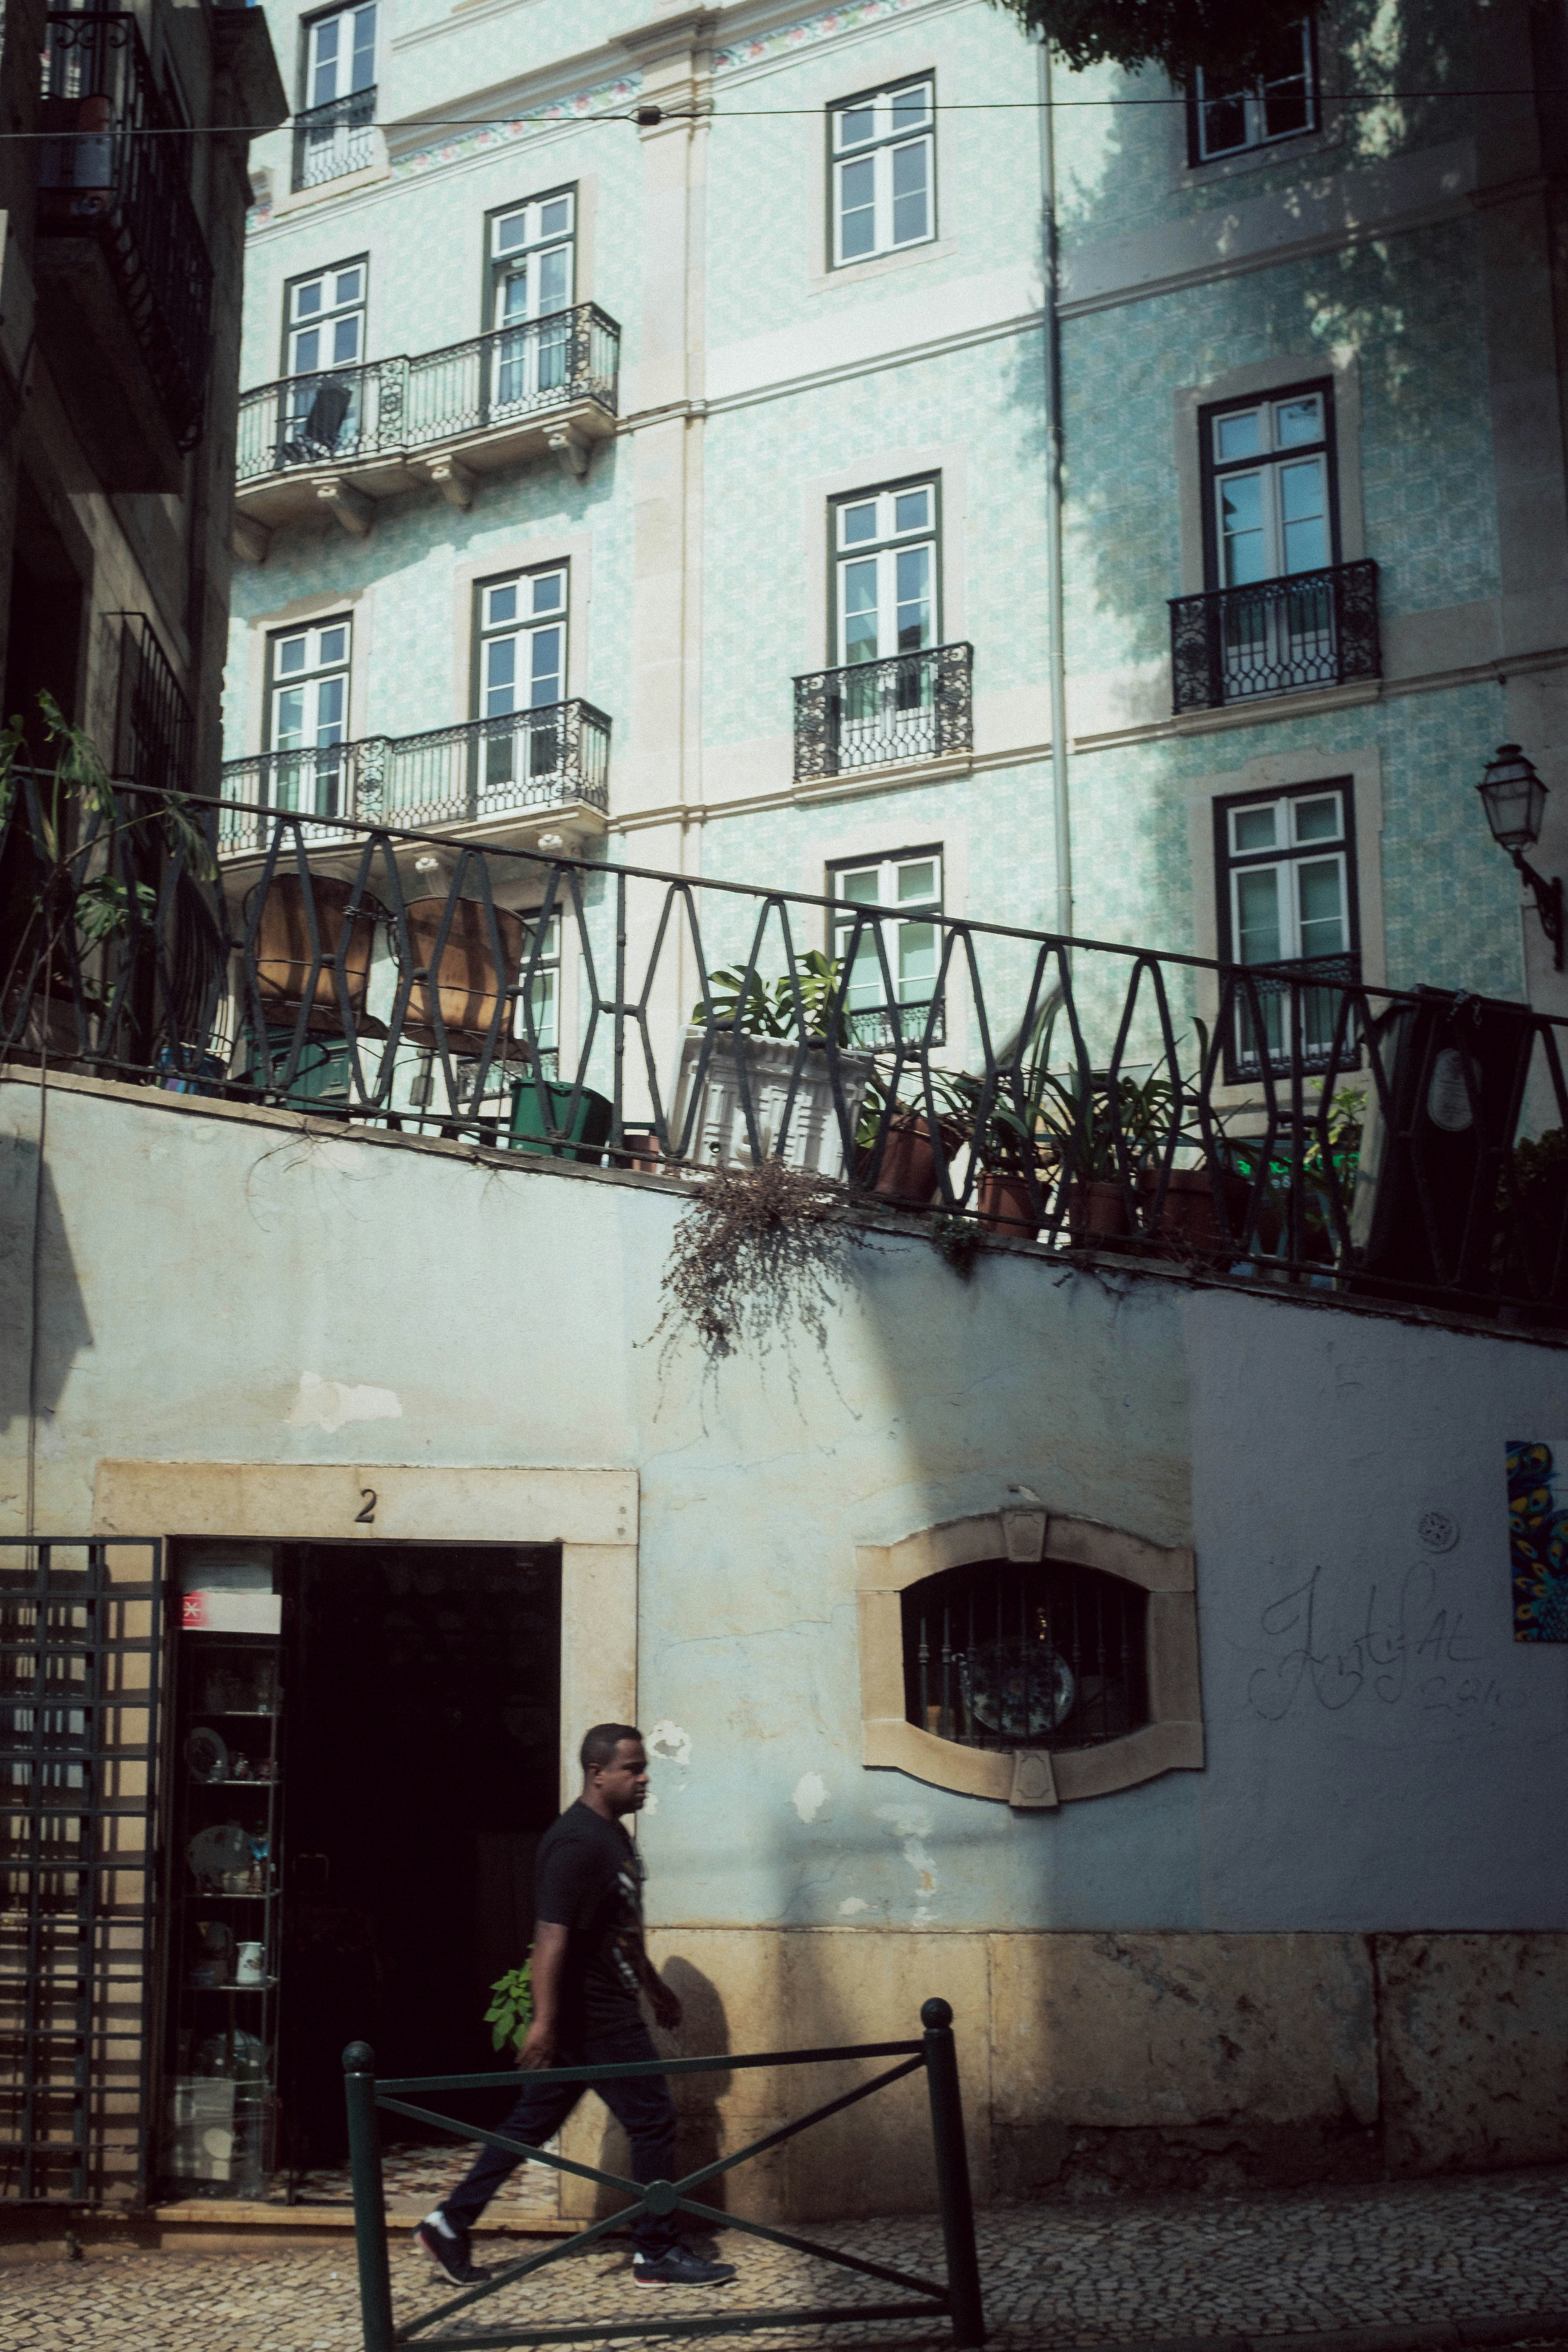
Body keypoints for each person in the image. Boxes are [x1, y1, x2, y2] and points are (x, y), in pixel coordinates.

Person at [414, 1723, 737, 2291]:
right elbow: (551, 1935)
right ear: (597, 1773)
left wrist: (654, 1986)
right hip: (594, 2018)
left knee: (530, 2124)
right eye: (632, 1769)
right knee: (653, 2119)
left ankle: (448, 2223)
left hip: (603, 2009)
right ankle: (655, 2253)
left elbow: (620, 1929)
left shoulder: (614, 1837)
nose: (644, 1778)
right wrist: (543, 2020)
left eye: (642, 1768)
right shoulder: (574, 1842)